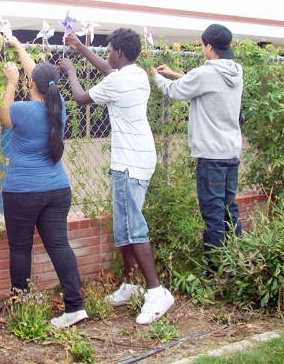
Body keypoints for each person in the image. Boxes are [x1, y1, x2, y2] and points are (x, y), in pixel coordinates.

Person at [60, 28, 174, 325]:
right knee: (125, 225)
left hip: (129, 162)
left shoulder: (119, 82)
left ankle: (156, 291)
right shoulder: (134, 74)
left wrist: (71, 69)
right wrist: (81, 47)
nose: (108, 53)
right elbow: (109, 69)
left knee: (133, 226)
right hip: (139, 156)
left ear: (119, 52)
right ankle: (131, 283)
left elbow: (81, 97)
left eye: (109, 49)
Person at [1, 36, 87, 328]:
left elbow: (3, 115)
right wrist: (18, 45)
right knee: (59, 245)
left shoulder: (23, 111)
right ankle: (75, 307)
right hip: (57, 189)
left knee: (21, 249)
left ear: (30, 85)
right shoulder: (57, 106)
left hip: (23, 192)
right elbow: (36, 74)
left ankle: (22, 311)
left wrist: (11, 81)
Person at [151, 24, 243, 273]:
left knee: (213, 213)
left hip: (211, 156)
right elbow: (201, 83)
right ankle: (240, 261)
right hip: (231, 152)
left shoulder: (206, 74)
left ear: (209, 47)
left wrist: (158, 77)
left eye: (203, 45)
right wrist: (174, 72)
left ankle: (214, 269)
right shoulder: (236, 70)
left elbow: (177, 92)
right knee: (229, 208)